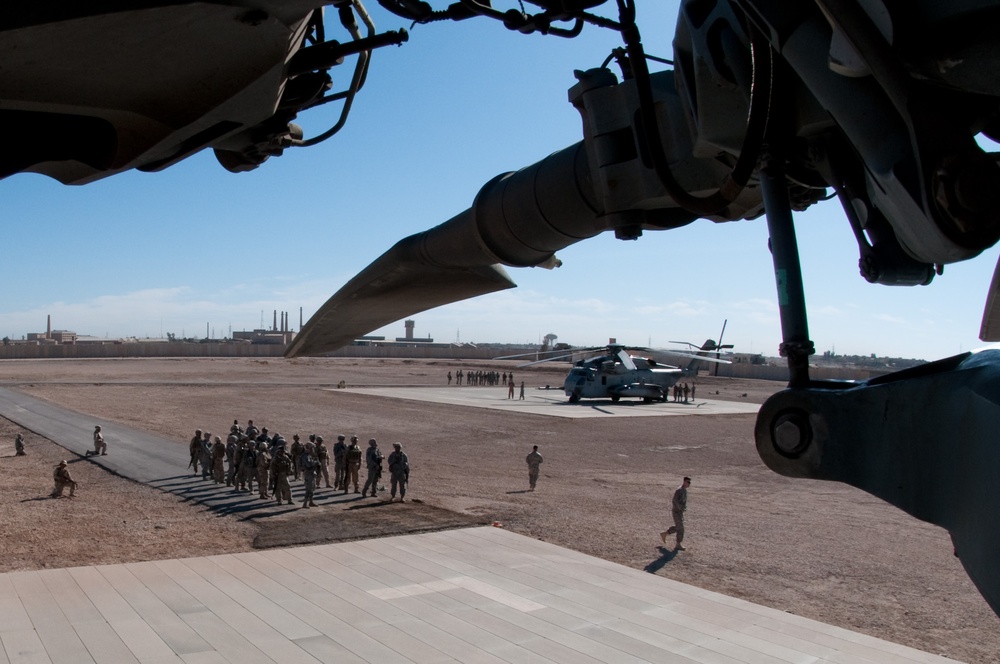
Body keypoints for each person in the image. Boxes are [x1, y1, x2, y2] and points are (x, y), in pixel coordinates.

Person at [661, 476, 691, 551]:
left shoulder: (684, 490)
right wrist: (679, 507)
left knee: (678, 526)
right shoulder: (679, 490)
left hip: (680, 512)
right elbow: (674, 501)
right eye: (688, 482)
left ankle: (665, 533)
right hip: (676, 512)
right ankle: (678, 544)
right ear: (684, 482)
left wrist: (684, 508)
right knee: (681, 528)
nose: (689, 484)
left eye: (689, 482)